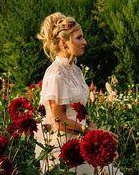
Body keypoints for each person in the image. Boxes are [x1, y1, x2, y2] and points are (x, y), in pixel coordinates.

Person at [34, 12, 123, 174]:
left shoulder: (76, 71)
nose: (85, 42)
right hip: (65, 149)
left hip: (83, 142)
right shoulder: (56, 73)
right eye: (79, 38)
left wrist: (100, 137)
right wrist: (90, 134)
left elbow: (81, 111)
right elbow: (58, 120)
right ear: (63, 43)